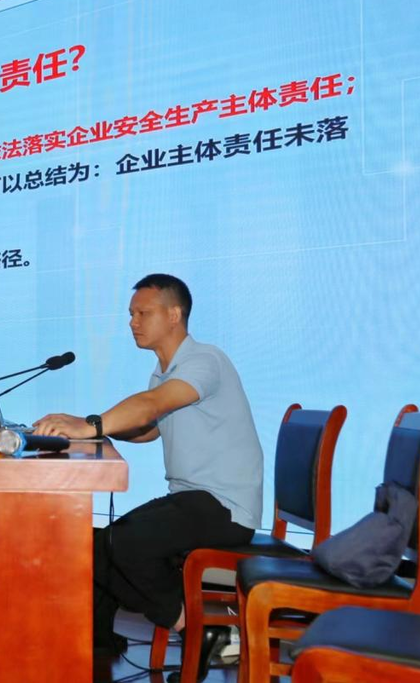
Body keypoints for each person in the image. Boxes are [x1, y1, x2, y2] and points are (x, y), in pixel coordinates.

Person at [33, 273, 263, 666]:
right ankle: (98, 644)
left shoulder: (204, 361)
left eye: (143, 313)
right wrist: (90, 431)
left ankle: (200, 630)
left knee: (123, 545)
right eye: (131, 314)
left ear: (174, 315)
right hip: (192, 499)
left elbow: (152, 406)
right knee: (98, 545)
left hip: (225, 508)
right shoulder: (165, 371)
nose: (132, 322)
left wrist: (91, 425)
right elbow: (150, 429)